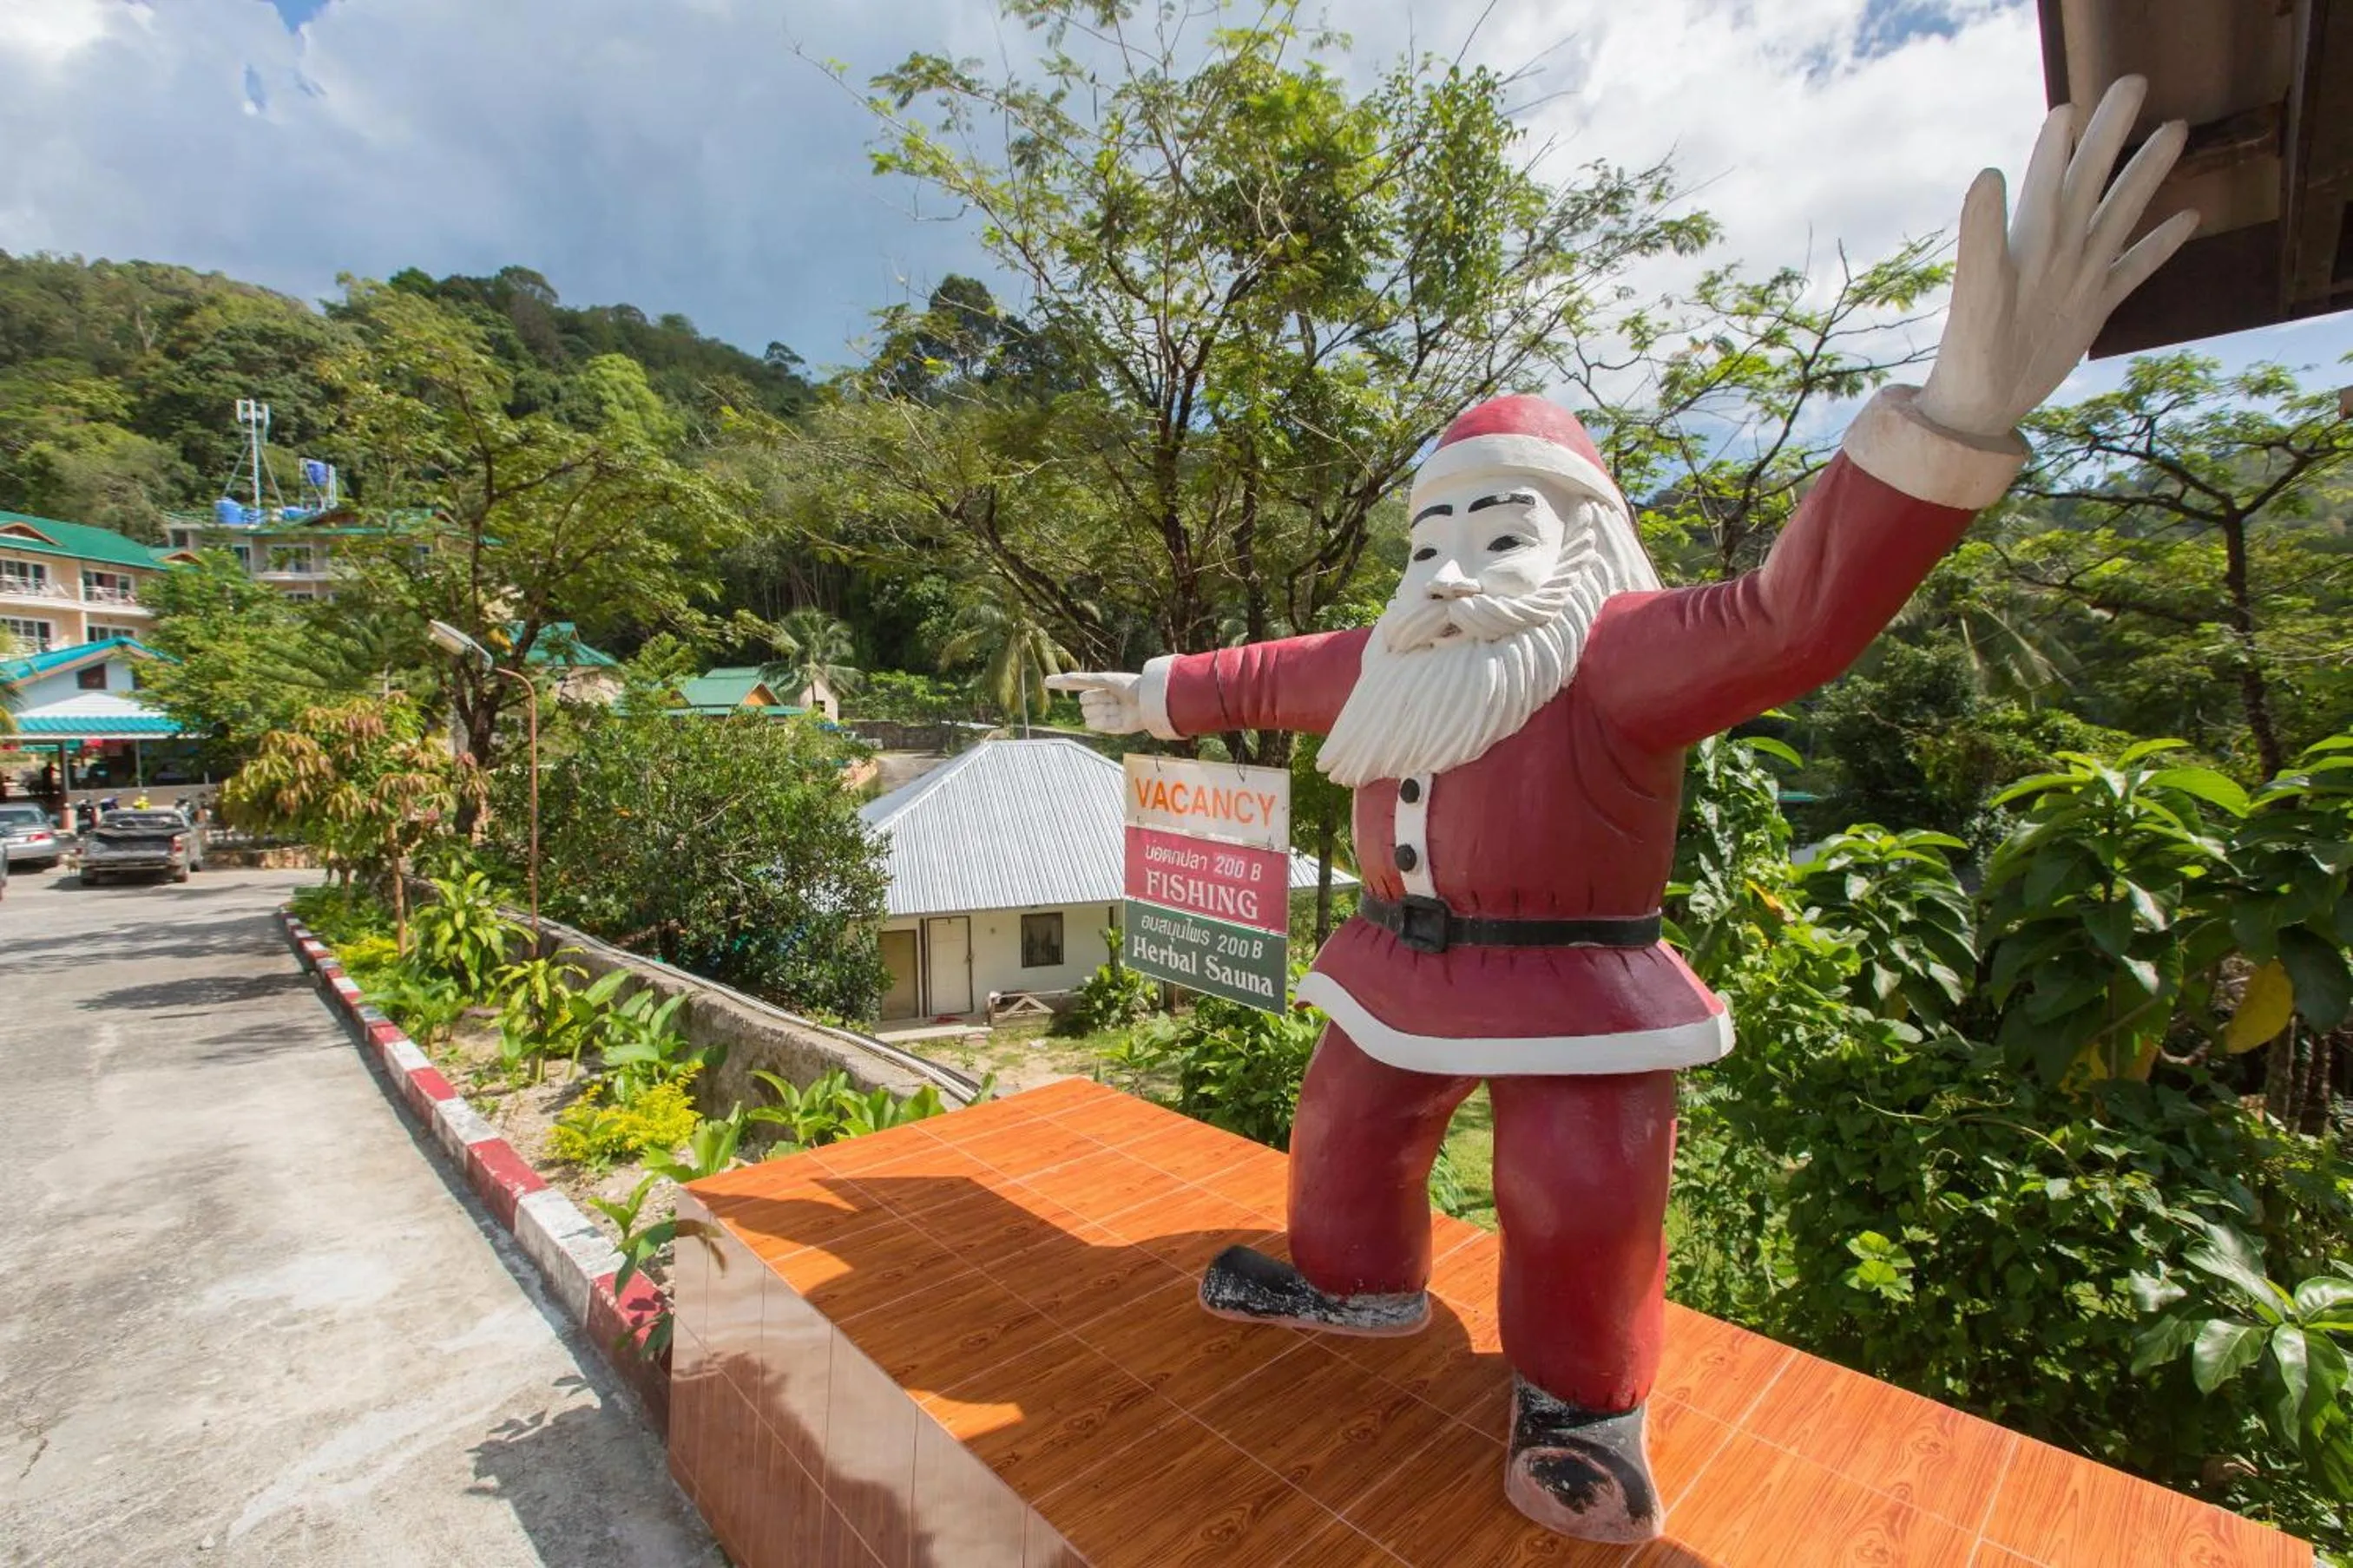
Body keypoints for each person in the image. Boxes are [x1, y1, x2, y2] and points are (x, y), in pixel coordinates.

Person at [1049, 77, 2196, 1543]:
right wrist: (1156, 692)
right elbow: (1264, 674)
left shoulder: (1621, 657)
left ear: (1583, 543)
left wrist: (1950, 422)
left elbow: (1795, 612)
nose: (1454, 571)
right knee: (1344, 1122)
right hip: (1400, 960)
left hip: (1577, 984)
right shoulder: (1388, 655)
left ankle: (1582, 1397)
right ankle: (1351, 1277)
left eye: (1499, 530)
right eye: (1432, 539)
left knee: (1576, 1189)